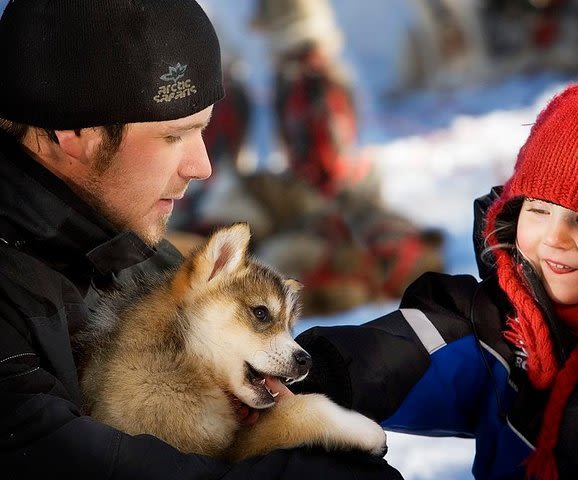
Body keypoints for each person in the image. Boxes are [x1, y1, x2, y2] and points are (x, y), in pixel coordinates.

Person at [0, 1, 402, 479]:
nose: (202, 166)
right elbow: (61, 455)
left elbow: (218, 363)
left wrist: (408, 344)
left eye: (205, 131)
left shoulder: (120, 244)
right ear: (73, 133)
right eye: (175, 135)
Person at [294, 80, 578, 479]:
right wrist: (311, 372)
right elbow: (395, 357)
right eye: (537, 210)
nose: (554, 237)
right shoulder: (495, 324)